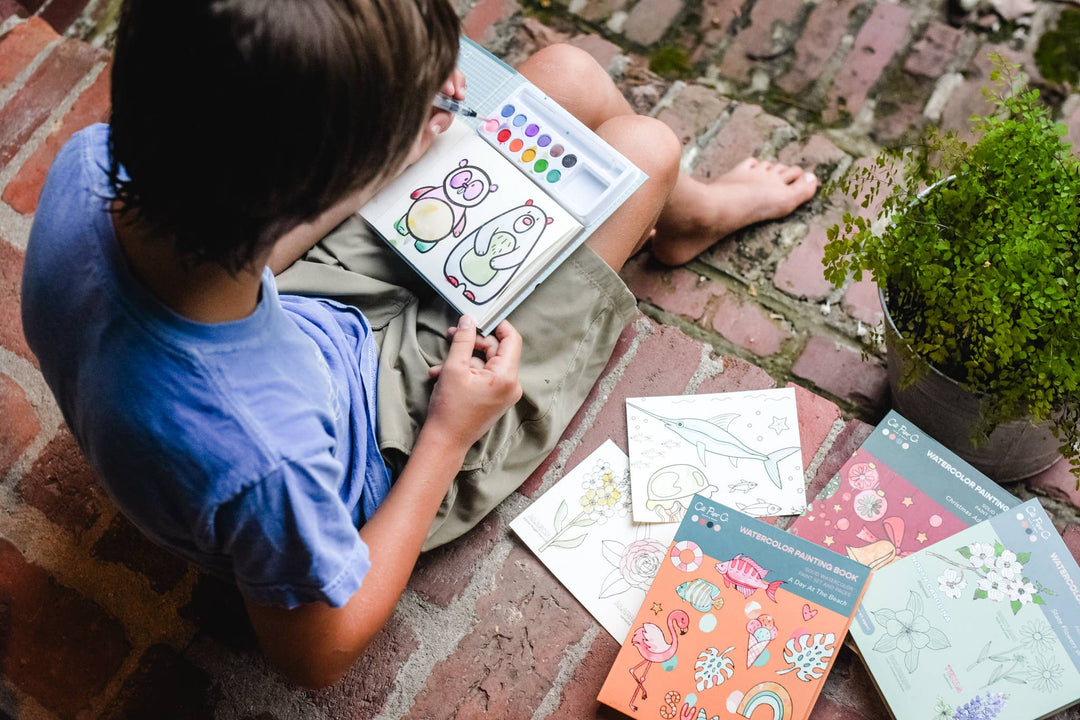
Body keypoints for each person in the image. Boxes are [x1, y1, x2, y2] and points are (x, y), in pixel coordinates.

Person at [20, 0, 817, 689]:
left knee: (568, 75)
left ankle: (684, 214)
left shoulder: (94, 168)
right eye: (416, 109)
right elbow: (316, 652)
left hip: (289, 319)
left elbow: (255, 261)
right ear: (308, 191)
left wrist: (379, 171)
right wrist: (449, 432)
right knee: (644, 151)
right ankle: (685, 210)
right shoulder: (268, 466)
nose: (457, 91)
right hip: (387, 440)